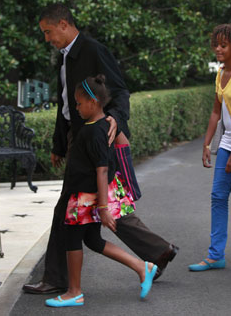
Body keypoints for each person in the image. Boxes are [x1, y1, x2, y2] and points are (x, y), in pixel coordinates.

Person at [23, 3, 178, 295]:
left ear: (64, 24)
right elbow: (66, 105)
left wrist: (114, 121)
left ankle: (58, 278)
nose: (47, 39)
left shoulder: (94, 50)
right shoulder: (65, 57)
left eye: (48, 32)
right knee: (103, 204)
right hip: (77, 137)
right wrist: (60, 142)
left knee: (75, 208)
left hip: (97, 137)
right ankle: (158, 252)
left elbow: (119, 91)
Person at [45, 75, 157, 307]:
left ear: (93, 102)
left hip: (86, 196)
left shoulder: (94, 131)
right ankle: (141, 267)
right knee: (92, 240)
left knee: (73, 238)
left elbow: (102, 170)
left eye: (78, 103)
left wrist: (103, 208)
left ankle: (74, 291)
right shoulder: (101, 126)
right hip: (85, 194)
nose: (76, 108)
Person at [188, 24, 231, 271]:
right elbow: (216, 112)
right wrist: (207, 143)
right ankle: (216, 255)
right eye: (215, 44)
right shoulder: (221, 73)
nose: (217, 48)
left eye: (223, 45)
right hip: (226, 145)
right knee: (217, 197)